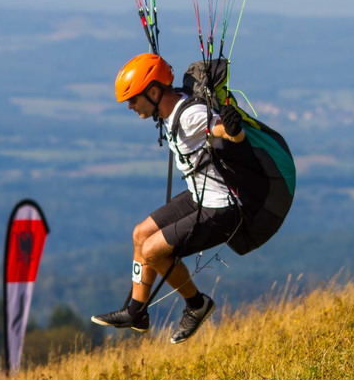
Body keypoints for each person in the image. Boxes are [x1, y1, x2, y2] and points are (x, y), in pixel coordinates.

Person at [91, 53, 247, 344]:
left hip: (222, 208)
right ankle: (136, 312)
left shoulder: (190, 115)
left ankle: (197, 304)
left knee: (152, 251)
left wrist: (234, 130)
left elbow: (224, 131)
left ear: (153, 93)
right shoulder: (170, 105)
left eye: (133, 99)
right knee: (140, 234)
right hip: (198, 196)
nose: (130, 106)